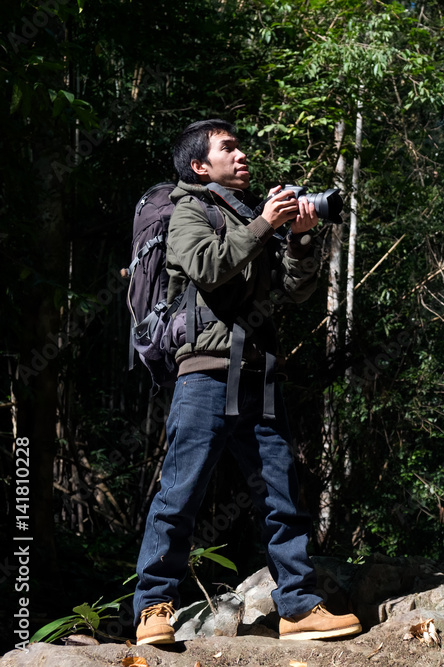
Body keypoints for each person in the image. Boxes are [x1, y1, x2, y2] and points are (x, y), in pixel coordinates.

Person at [133, 119, 361, 645]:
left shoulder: (246, 213)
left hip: (259, 374)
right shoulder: (190, 209)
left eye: (239, 147)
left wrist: (300, 241)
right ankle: (153, 609)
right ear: (198, 165)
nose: (241, 156)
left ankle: (299, 608)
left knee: (282, 496)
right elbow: (208, 268)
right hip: (205, 377)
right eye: (228, 149)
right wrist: (263, 224)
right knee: (180, 495)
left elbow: (292, 291)